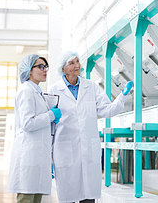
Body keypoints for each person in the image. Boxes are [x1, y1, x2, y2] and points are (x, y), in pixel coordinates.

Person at [49, 51, 133, 203]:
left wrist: (122, 96)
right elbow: (50, 128)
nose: (77, 65)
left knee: (88, 198)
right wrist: (48, 157)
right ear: (63, 69)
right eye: (72, 63)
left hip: (88, 151)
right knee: (68, 196)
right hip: (65, 151)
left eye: (78, 61)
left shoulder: (91, 87)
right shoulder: (54, 90)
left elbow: (107, 111)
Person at [7, 54, 62, 203]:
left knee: (35, 199)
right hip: (28, 156)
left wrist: (51, 117)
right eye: (40, 66)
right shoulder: (26, 91)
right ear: (29, 70)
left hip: (37, 157)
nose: (45, 70)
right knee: (27, 198)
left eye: (46, 67)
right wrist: (51, 115)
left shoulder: (37, 92)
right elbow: (28, 124)